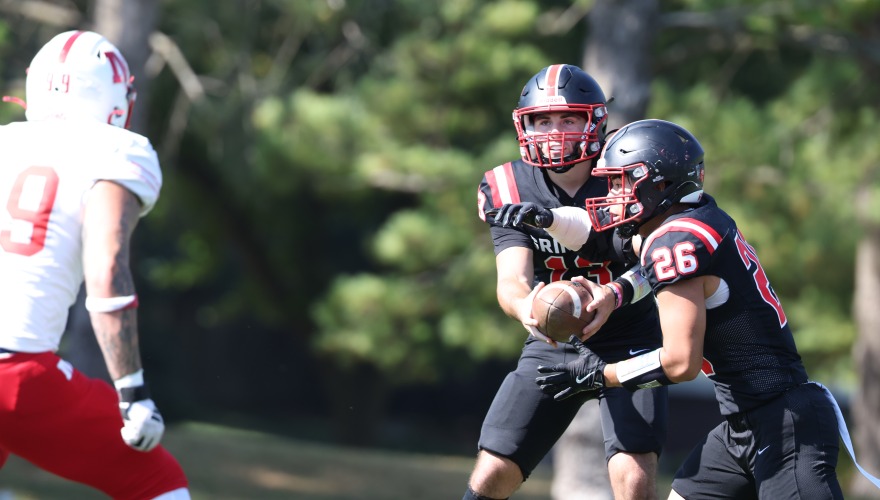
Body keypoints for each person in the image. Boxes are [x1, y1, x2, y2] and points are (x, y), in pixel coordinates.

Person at [533, 118, 855, 499]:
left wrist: (601, 376)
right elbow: (657, 269)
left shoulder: (675, 241)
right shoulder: (697, 217)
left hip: (786, 424)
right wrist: (615, 293)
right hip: (742, 426)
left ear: (661, 184)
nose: (613, 193)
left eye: (622, 181)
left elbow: (680, 363)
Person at [0, 30, 190, 499]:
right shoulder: (117, 150)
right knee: (157, 481)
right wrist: (132, 391)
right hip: (17, 371)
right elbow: (106, 271)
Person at [467, 64, 668, 500]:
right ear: (525, 126)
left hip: (631, 333)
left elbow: (660, 262)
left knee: (632, 481)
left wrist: (615, 295)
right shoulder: (508, 185)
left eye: (568, 119)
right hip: (554, 339)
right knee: (491, 474)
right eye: (543, 120)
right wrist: (528, 309)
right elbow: (512, 279)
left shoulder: (628, 175)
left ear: (594, 122)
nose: (554, 131)